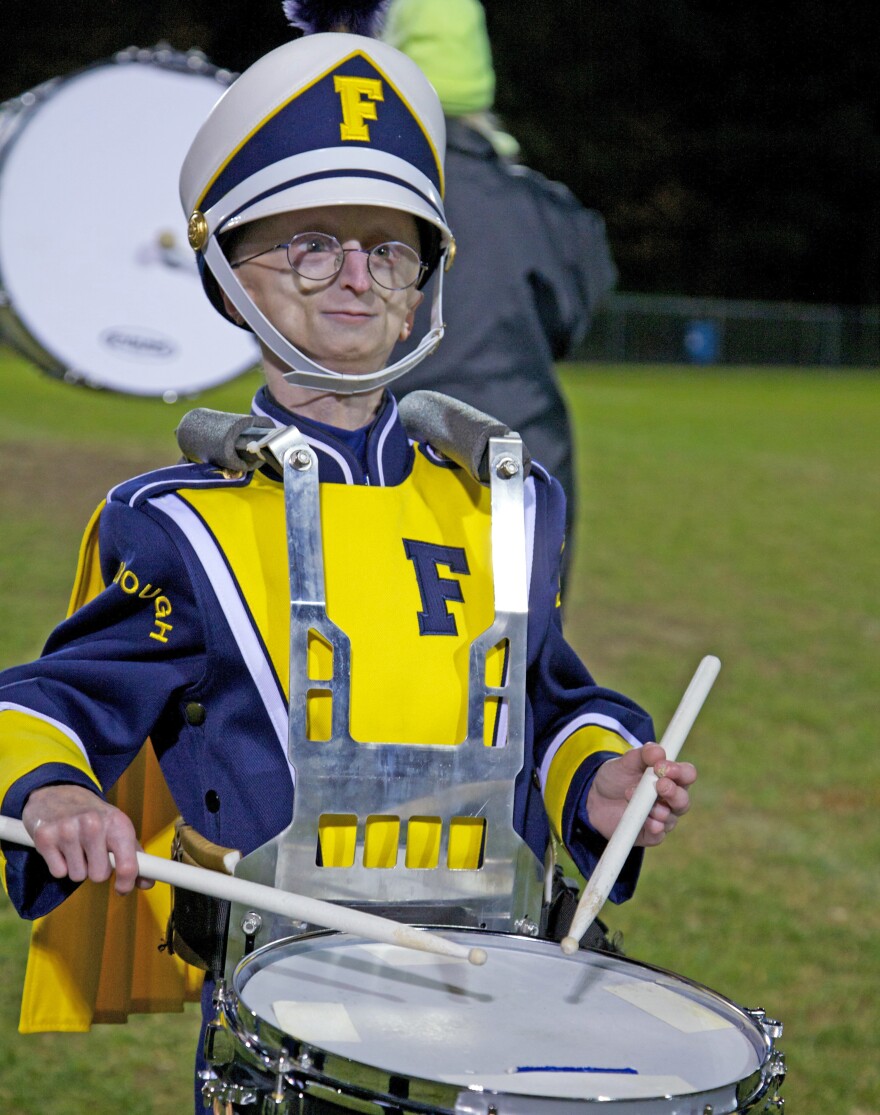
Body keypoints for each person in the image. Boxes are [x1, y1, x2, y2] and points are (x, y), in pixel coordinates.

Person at [0, 5, 695, 1109]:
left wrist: (598, 776)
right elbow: (47, 701)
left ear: (425, 279)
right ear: (228, 275)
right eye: (308, 243)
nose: (354, 277)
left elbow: (550, 693)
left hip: (503, 999)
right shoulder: (181, 521)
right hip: (289, 1021)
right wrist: (55, 797)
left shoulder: (505, 496)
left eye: (388, 246)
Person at [383, 0, 618, 586]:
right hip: (525, 459)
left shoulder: (363, 197)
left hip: (385, 453)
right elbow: (573, 315)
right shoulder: (540, 205)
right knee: (521, 658)